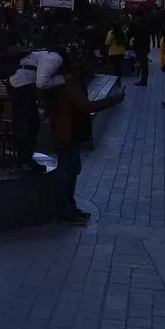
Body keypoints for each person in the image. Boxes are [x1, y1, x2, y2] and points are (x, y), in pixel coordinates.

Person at [44, 56, 123, 224]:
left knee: (71, 169)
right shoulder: (70, 85)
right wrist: (113, 100)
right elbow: (86, 106)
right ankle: (64, 209)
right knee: (67, 171)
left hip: (68, 133)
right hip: (67, 134)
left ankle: (69, 206)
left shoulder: (65, 82)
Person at [1, 43, 64, 164]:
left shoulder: (44, 54)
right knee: (31, 123)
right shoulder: (55, 58)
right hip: (20, 86)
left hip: (18, 85)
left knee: (26, 123)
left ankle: (23, 158)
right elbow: (42, 82)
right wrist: (63, 79)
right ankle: (24, 159)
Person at [130, 17, 150, 87]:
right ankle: (144, 80)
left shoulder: (140, 31)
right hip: (144, 49)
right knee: (144, 64)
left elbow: (137, 38)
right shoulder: (145, 30)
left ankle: (143, 80)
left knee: (143, 64)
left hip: (141, 49)